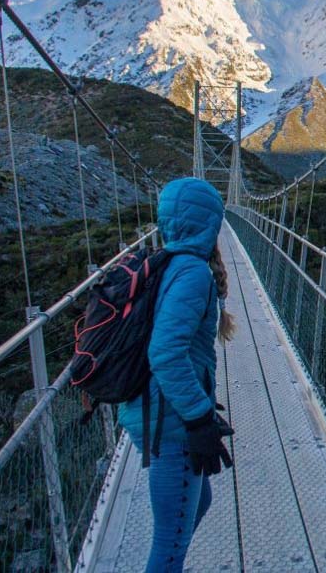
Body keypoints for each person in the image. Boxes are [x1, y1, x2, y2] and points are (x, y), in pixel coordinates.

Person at [118, 177, 237, 572]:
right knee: (169, 544)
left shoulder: (163, 262)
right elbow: (166, 354)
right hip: (170, 422)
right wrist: (199, 417)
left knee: (197, 503)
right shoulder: (193, 273)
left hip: (156, 409)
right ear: (210, 223)